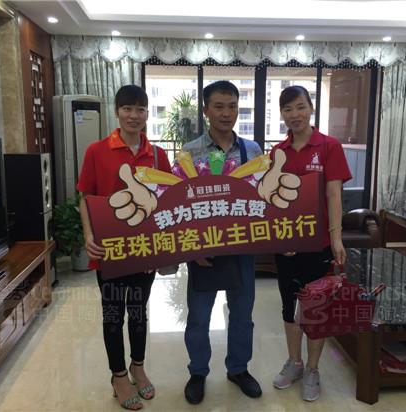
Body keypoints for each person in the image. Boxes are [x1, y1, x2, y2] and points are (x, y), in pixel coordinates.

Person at [77, 85, 172, 410]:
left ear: (147, 114)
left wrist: (158, 248)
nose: (134, 115)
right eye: (128, 108)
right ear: (117, 111)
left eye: (140, 109)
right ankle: (118, 375)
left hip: (144, 250)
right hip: (110, 251)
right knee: (113, 313)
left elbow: (166, 203)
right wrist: (88, 235)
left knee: (139, 312)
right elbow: (86, 197)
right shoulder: (97, 151)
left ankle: (138, 367)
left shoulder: (157, 155)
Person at [181, 81, 264, 405]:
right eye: (219, 106)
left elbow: (263, 198)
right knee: (199, 317)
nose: (226, 113)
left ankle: (238, 369)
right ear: (206, 110)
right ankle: (197, 372)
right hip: (204, 250)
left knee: (242, 314)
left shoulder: (252, 150)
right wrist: (194, 249)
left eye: (232, 106)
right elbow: (180, 203)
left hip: (242, 249)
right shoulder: (190, 151)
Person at [270, 85, 352, 402]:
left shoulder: (329, 146)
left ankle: (313, 369)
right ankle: (295, 362)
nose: (295, 114)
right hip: (287, 245)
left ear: (311, 109)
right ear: (282, 114)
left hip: (318, 245)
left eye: (300, 107)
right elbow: (273, 199)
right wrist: (282, 237)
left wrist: (336, 237)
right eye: (288, 109)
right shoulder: (278, 152)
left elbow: (334, 195)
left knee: (316, 308)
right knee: (289, 306)